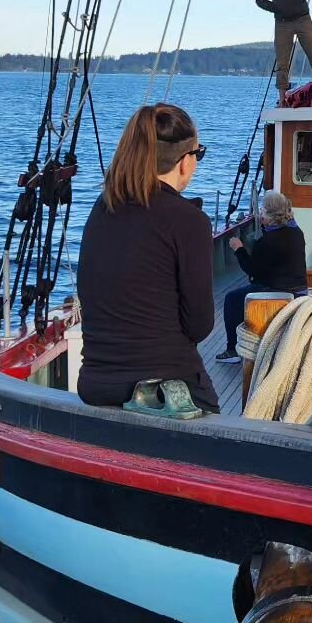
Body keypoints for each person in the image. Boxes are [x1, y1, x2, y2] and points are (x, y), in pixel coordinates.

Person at [76, 103, 219, 413]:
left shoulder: (102, 210)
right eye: (198, 153)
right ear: (184, 161)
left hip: (98, 386)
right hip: (166, 392)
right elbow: (199, 325)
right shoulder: (189, 222)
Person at [215, 190, 308, 363]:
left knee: (232, 299)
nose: (261, 213)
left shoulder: (267, 241)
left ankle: (232, 350)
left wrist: (238, 249)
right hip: (299, 290)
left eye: (263, 211)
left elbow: (252, 270)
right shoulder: (296, 232)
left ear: (271, 216)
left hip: (276, 290)